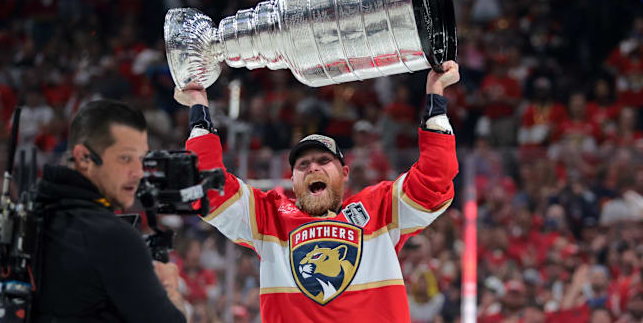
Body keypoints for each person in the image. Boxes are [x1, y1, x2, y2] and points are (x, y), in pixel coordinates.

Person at [174, 61, 460, 323]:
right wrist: (199, 109)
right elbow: (208, 187)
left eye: (324, 161)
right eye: (304, 164)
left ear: (344, 174)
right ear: (293, 178)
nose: (313, 168)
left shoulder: (380, 210)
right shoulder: (269, 216)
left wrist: (435, 95)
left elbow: (434, 180)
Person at [32, 99, 186, 323]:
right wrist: (170, 286)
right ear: (84, 157)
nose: (138, 173)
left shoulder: (36, 216)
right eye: (125, 158)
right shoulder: (110, 236)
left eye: (141, 160)